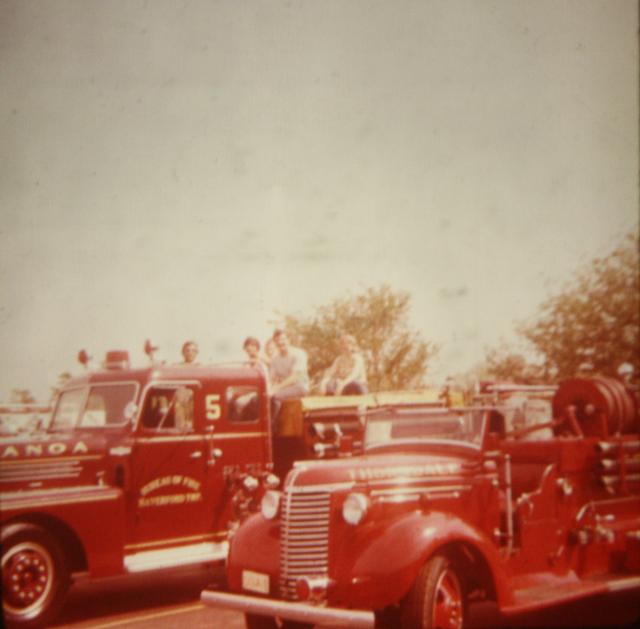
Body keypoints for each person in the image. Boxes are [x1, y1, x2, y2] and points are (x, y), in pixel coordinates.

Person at [269, 329, 310, 425]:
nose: (280, 342)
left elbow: (294, 378)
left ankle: (272, 427)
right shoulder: (275, 359)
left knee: (275, 397)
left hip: (299, 387)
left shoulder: (299, 354)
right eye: (277, 340)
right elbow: (271, 378)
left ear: (289, 340)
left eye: (283, 339)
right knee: (263, 397)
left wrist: (276, 388)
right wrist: (267, 389)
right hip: (285, 388)